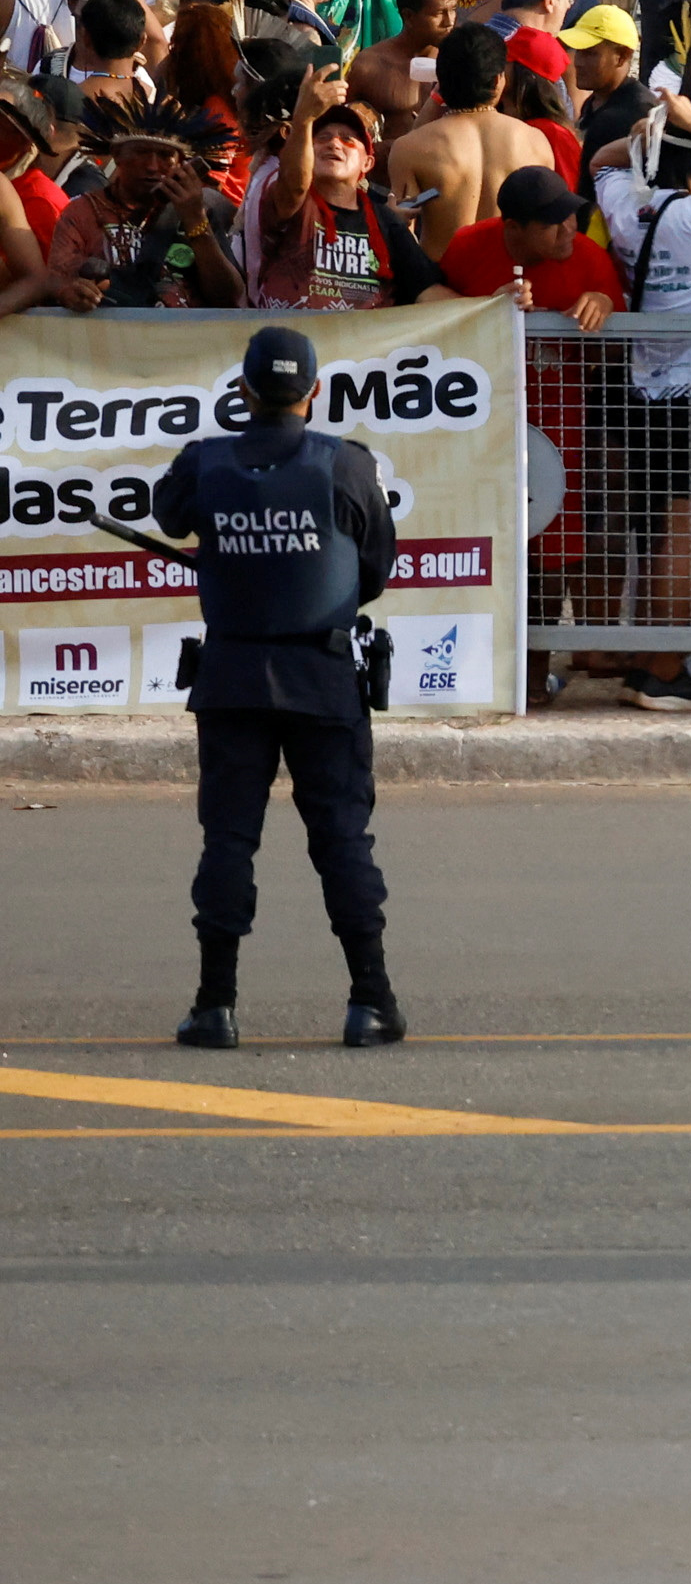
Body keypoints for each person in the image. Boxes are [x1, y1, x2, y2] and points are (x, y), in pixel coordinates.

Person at [148, 325, 401, 1050]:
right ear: (314, 392)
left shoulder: (206, 462)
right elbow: (375, 573)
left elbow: (169, 513)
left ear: (246, 391)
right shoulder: (347, 467)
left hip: (232, 679)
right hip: (322, 678)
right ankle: (371, 1002)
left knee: (228, 839)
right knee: (343, 839)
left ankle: (214, 1006)